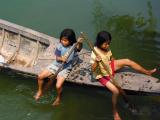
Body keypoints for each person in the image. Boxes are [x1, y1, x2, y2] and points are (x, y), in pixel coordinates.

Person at [90, 31, 156, 120]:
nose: (108, 46)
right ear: (99, 43)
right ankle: (114, 112)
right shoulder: (95, 53)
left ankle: (147, 72)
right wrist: (96, 61)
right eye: (105, 44)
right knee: (116, 91)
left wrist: (117, 63)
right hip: (101, 74)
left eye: (109, 43)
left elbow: (111, 58)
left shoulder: (106, 48)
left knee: (127, 61)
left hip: (108, 67)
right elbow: (93, 69)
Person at [34, 28, 83, 106]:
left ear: (71, 40)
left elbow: (79, 48)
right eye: (62, 40)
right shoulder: (59, 46)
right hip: (56, 64)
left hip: (66, 67)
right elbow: (57, 58)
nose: (63, 42)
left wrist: (80, 42)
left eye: (65, 40)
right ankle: (40, 91)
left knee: (58, 86)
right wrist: (62, 58)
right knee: (40, 76)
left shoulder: (73, 46)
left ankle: (59, 98)